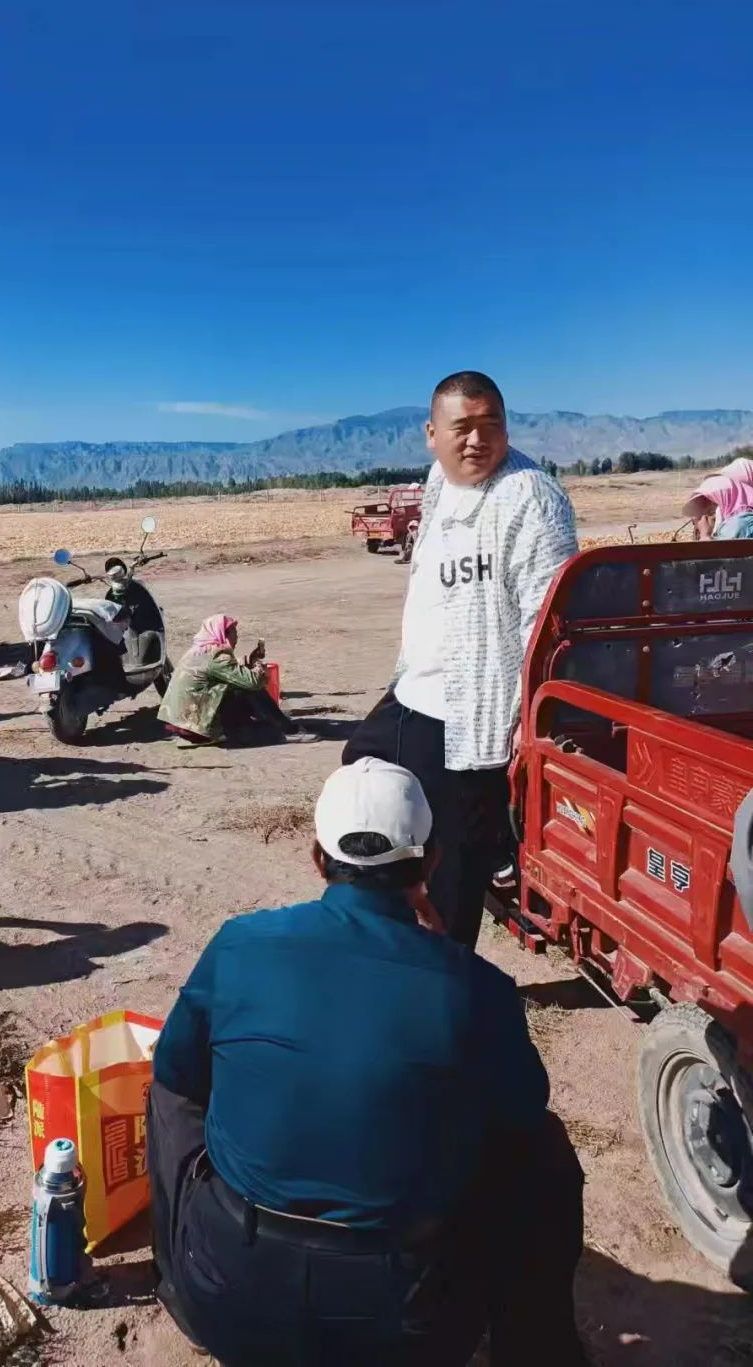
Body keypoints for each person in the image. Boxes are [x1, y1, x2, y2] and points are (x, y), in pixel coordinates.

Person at [148, 756, 585, 1367]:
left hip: (231, 1302)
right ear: (430, 863)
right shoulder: (476, 988)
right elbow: (520, 1111)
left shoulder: (241, 943)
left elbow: (177, 1072)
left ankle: (177, 1280)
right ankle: (538, 1351)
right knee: (543, 1152)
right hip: (407, 1330)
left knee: (170, 1091)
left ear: (317, 859)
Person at [343, 371, 577, 946]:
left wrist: (528, 726)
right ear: (431, 434)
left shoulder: (531, 500)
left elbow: (546, 629)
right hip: (415, 693)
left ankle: (448, 978)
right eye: (462, 428)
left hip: (475, 722)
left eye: (490, 425)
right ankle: (399, 919)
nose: (477, 441)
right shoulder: (437, 483)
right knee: (361, 771)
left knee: (449, 865)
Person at [157, 614, 313, 747]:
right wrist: (258, 667)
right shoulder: (217, 656)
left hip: (181, 722)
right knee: (250, 689)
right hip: (196, 728)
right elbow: (252, 682)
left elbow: (223, 670)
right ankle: (287, 730)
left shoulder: (199, 650)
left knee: (239, 684)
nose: (237, 637)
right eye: (234, 632)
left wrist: (249, 660)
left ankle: (273, 723)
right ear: (223, 634)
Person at [684, 458, 753, 540]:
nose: (710, 514)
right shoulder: (738, 522)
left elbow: (719, 551)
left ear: (725, 499)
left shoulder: (740, 525)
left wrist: (705, 536)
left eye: (713, 503)